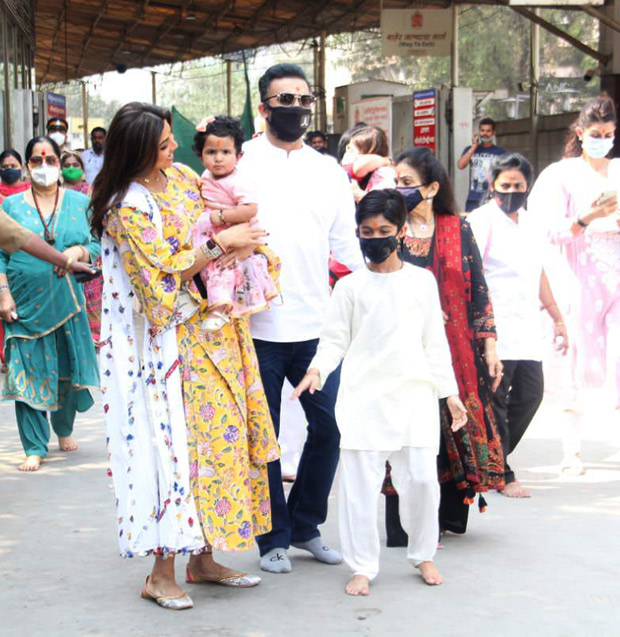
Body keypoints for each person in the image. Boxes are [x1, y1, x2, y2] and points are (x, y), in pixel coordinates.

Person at [90, 102, 280, 610]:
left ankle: (203, 558)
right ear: (138, 152)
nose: (177, 151)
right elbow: (159, 284)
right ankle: (160, 573)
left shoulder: (177, 178)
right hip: (164, 347)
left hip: (213, 333)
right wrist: (222, 244)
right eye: (165, 144)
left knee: (216, 446)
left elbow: (207, 216)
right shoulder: (125, 206)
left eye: (174, 141)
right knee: (171, 452)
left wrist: (234, 240)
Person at [293, 189, 468, 595]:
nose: (374, 238)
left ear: (402, 232)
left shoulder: (422, 282)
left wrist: (450, 393)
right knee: (358, 491)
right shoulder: (350, 287)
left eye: (384, 230)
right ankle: (362, 566)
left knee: (423, 481)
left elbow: (434, 342)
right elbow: (334, 339)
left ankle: (423, 553)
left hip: (414, 398)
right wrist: (317, 370)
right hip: (362, 400)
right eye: (366, 231)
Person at [238, 63, 363, 574]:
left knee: (331, 425)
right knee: (263, 436)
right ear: (264, 107)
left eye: (302, 99)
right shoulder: (240, 163)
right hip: (256, 326)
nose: (293, 107)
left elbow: (347, 247)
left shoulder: (328, 171)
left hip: (316, 326)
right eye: (282, 99)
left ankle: (307, 523)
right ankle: (273, 536)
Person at [382, 147, 505, 543]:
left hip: (456, 350)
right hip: (402, 349)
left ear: (432, 188)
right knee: (409, 431)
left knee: (453, 425)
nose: (399, 190)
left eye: (407, 183)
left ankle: (449, 515)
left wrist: (489, 345)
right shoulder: (388, 229)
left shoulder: (457, 228)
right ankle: (406, 523)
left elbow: (479, 292)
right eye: (395, 183)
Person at [468, 153, 568, 498]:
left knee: (531, 394)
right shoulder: (483, 220)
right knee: (495, 397)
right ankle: (502, 473)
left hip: (526, 326)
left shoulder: (531, 222)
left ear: (528, 187)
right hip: (495, 327)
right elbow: (473, 275)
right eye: (505, 186)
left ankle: (494, 459)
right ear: (493, 186)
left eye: (518, 186)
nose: (511, 191)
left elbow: (538, 272)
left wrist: (556, 316)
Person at [528, 95, 620, 471]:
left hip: (616, 273)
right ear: (581, 133)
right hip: (578, 277)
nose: (603, 140)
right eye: (596, 133)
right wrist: (587, 216)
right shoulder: (560, 175)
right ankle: (572, 449)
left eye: (609, 133)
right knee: (575, 360)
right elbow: (547, 230)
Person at [0, 135, 100, 472]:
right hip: (22, 304)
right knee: (24, 370)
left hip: (66, 301)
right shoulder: (10, 207)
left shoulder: (79, 203)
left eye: (50, 160)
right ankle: (33, 444)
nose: (44, 166)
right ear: (28, 167)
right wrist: (3, 292)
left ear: (60, 163)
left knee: (65, 369)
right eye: (36, 161)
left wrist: (77, 253)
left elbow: (98, 247)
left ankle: (63, 427)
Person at [191, 115, 279, 330]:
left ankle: (220, 309)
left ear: (238, 156)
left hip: (231, 227)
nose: (218, 158)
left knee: (224, 269)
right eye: (211, 152)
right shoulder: (205, 175)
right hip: (210, 231)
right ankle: (203, 301)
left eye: (226, 152)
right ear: (200, 156)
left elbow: (250, 209)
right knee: (203, 265)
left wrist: (219, 217)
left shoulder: (239, 181)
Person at [457, 118, 506, 212]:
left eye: (488, 131)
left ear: (493, 133)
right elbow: (461, 165)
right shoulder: (471, 149)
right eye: (482, 130)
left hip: (493, 199)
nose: (485, 134)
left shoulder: (501, 152)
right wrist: (474, 146)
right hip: (474, 198)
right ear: (479, 132)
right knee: (470, 225)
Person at [341, 125, 396, 201]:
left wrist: (360, 196)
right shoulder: (347, 169)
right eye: (347, 148)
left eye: (351, 149)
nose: (347, 152)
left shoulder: (384, 174)